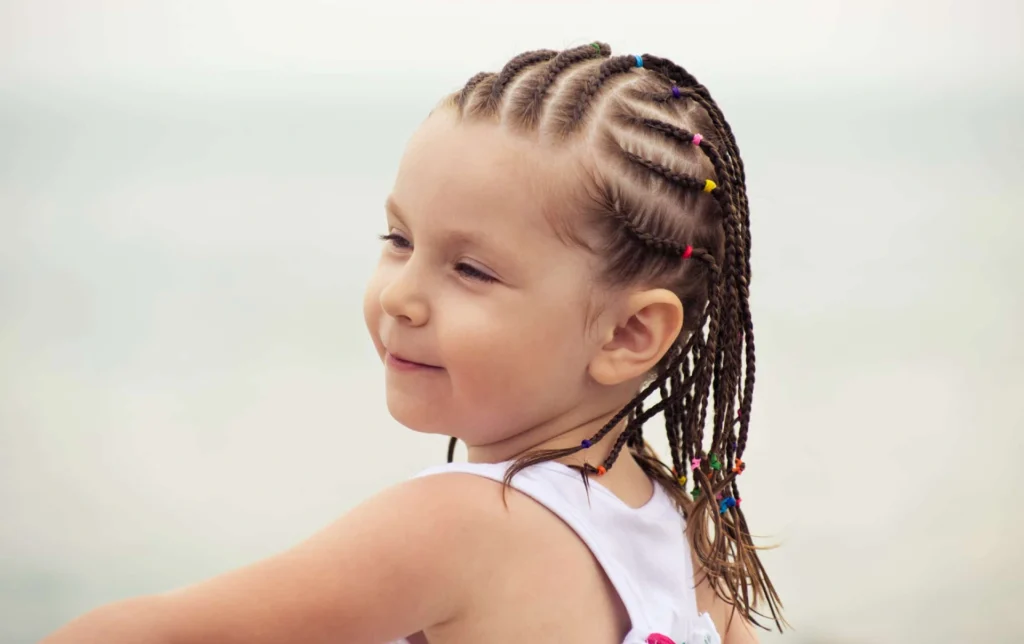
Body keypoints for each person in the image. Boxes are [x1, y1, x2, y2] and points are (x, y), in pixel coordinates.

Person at [42, 42, 783, 644]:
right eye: (398, 239)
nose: (400, 295)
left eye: (471, 270)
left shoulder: (456, 525)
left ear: (628, 333)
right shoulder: (685, 533)